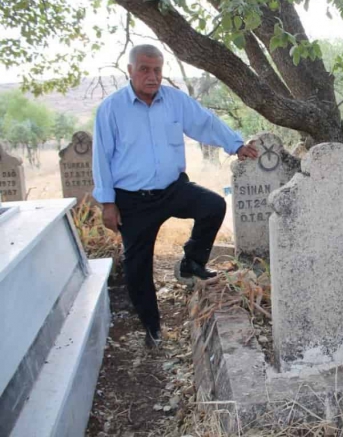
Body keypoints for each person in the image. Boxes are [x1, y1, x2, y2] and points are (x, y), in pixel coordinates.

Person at [92, 44, 259, 348]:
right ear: (130, 71)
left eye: (157, 69)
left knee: (213, 205)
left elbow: (205, 123)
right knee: (137, 266)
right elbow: (101, 157)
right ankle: (153, 328)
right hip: (132, 200)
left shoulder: (174, 101)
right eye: (144, 69)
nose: (152, 76)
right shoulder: (111, 109)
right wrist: (107, 203)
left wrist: (235, 144)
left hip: (173, 189)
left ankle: (191, 262)